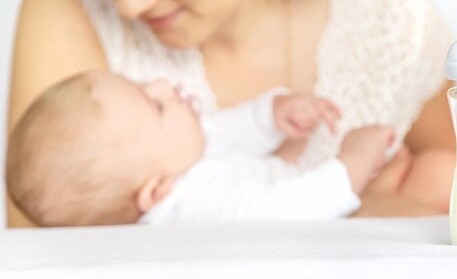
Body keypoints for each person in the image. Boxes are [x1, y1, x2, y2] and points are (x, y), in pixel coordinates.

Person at [7, 0, 456, 227]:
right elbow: (48, 269)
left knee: (443, 174)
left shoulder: (394, 29)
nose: (127, 2)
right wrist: (372, 213)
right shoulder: (70, 7)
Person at [6, 71, 396, 226]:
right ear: (155, 192)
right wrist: (353, 161)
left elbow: (219, 134)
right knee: (428, 180)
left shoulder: (176, 163)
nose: (163, 84)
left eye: (143, 84)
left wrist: (272, 115)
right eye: (155, 105)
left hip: (327, 189)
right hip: (330, 209)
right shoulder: (191, 209)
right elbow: (287, 213)